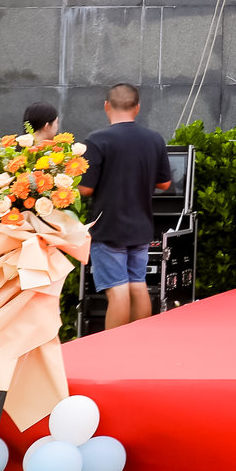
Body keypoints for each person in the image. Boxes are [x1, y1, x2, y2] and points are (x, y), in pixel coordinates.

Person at [79, 83, 171, 330]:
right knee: (138, 284)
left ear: (106, 106)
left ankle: (112, 347)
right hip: (141, 226)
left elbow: (85, 189)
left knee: (117, 290)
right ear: (137, 108)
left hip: (108, 226)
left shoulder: (97, 140)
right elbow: (165, 183)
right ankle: (139, 342)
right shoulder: (154, 139)